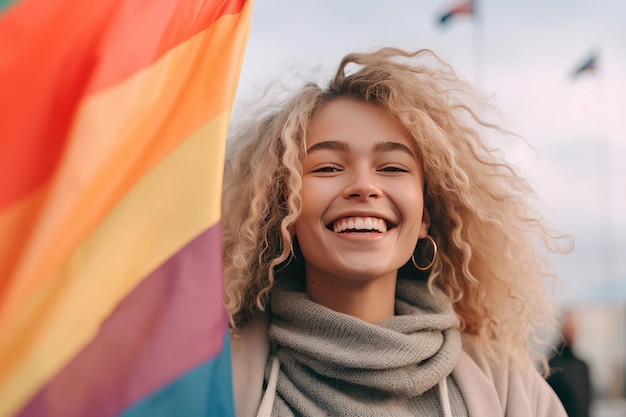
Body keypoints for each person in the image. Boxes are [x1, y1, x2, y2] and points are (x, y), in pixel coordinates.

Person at [222, 47, 570, 417]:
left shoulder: (511, 391)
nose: (363, 186)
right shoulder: (215, 380)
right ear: (284, 209)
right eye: (326, 168)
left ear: (425, 215)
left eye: (392, 167)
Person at [547, 311, 592, 417]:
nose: (573, 331)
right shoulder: (553, 364)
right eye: (570, 328)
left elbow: (586, 404)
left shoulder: (582, 366)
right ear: (562, 330)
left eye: (575, 328)